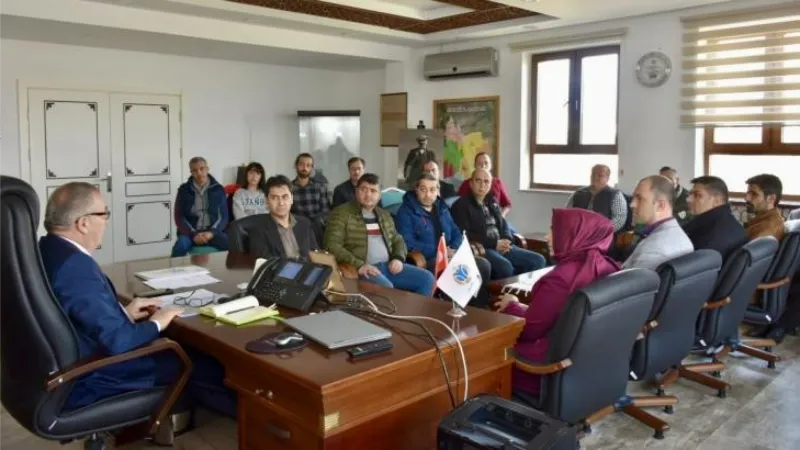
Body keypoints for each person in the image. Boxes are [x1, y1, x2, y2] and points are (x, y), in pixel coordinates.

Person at [39, 182, 236, 417]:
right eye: (104, 214)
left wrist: (124, 313)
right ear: (83, 223)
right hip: (96, 376)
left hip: (73, 359)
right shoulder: (75, 266)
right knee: (201, 361)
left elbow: (78, 316)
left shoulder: (49, 249)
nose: (107, 221)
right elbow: (117, 341)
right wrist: (157, 322)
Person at [495, 208, 621, 397]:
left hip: (547, 368)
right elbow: (566, 315)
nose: (547, 236)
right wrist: (526, 308)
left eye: (555, 230)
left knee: (483, 352)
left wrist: (512, 305)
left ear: (575, 235)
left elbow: (528, 330)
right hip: (590, 364)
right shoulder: (609, 266)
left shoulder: (561, 279)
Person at [324, 173, 435, 296]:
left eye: (373, 191)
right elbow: (332, 245)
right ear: (356, 191)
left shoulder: (384, 215)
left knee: (427, 279)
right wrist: (359, 265)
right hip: (364, 270)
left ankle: (413, 314)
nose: (368, 195)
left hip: (388, 267)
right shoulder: (341, 213)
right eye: (363, 189)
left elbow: (398, 240)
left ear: (379, 195)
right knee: (387, 288)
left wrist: (398, 258)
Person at [394, 173, 492, 307]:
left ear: (437, 191)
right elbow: (407, 243)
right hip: (427, 259)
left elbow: (457, 232)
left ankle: (474, 309)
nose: (428, 194)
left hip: (450, 254)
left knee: (483, 265)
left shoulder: (442, 208)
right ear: (416, 190)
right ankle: (448, 308)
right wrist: (441, 252)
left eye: (432, 189)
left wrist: (454, 249)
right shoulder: (406, 212)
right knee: (452, 270)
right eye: (423, 189)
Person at [451, 169, 546, 279]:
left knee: (538, 260)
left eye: (486, 181)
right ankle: (503, 294)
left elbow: (504, 224)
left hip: (503, 246)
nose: (482, 185)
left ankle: (524, 293)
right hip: (484, 248)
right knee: (505, 267)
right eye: (478, 181)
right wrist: (494, 243)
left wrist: (507, 240)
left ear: (490, 184)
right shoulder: (461, 205)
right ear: (471, 183)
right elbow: (465, 234)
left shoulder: (492, 201)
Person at [623, 175, 693, 270]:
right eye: (634, 197)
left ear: (660, 205)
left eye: (639, 198)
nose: (632, 204)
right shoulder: (680, 236)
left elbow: (630, 284)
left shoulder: (652, 251)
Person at [249, 175, 318, 259]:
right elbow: (268, 265)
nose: (281, 203)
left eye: (285, 197)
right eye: (274, 198)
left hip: (307, 271)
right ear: (267, 201)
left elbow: (316, 256)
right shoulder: (258, 231)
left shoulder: (305, 223)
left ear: (292, 199)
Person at [172, 157, 229, 257]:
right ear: (191, 172)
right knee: (180, 246)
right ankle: (172, 271)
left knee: (232, 245)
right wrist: (194, 235)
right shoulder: (183, 190)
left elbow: (223, 216)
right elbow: (179, 217)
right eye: (194, 170)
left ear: (207, 169)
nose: (199, 173)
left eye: (202, 168)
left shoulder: (218, 189)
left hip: (212, 232)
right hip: (189, 233)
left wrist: (211, 233)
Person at [683, 176, 746, 261]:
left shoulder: (706, 236)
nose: (688, 199)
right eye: (690, 194)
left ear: (717, 201)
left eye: (698, 195)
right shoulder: (734, 224)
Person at [566, 164, 627, 232]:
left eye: (600, 175)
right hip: (578, 231)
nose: (595, 177)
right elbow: (567, 212)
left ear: (607, 178)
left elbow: (619, 218)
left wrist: (601, 229)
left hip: (601, 234)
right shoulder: (579, 192)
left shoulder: (615, 195)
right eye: (593, 174)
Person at [291, 153, 331, 242]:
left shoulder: (320, 187)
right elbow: (287, 212)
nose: (305, 168)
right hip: (297, 227)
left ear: (312, 168)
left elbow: (326, 211)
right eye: (302, 164)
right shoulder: (289, 188)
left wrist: (316, 221)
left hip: (316, 227)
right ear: (296, 165)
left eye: (308, 165)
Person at [457, 152, 512, 216]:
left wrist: (502, 216)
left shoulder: (497, 183)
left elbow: (507, 204)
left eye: (486, 163)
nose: (483, 166)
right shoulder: (467, 183)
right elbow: (458, 203)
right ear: (475, 165)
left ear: (490, 166)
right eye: (479, 163)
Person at [744, 174, 785, 241]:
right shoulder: (763, 220)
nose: (746, 198)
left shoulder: (767, 228)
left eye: (754, 194)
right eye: (748, 193)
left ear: (771, 198)